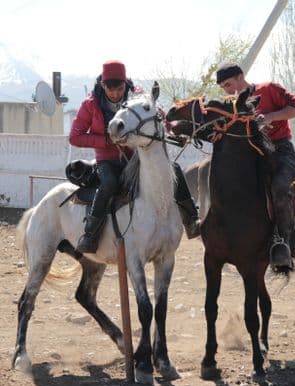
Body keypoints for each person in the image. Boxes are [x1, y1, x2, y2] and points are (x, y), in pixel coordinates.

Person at [69, 60, 200, 253]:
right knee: (109, 184)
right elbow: (75, 137)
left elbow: (157, 116)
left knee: (175, 170)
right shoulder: (90, 104)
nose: (115, 93)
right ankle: (90, 235)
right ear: (102, 85)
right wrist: (106, 140)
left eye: (119, 88)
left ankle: (191, 221)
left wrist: (171, 132)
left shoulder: (138, 95)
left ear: (125, 83)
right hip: (108, 160)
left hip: (136, 156)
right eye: (109, 88)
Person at [216, 62, 295, 272]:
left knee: (279, 188)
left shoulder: (269, 88)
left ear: (240, 77)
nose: (227, 91)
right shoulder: (232, 104)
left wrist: (271, 116)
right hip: (251, 154)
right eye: (223, 88)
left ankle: (283, 243)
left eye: (228, 84)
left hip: (281, 150)